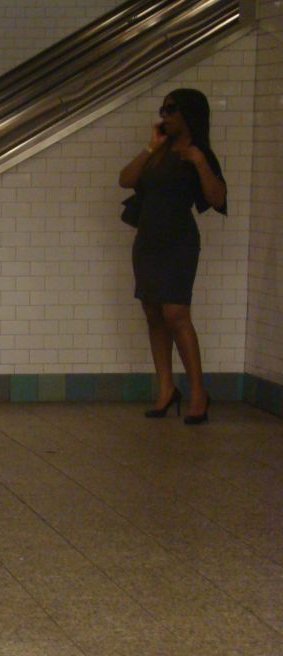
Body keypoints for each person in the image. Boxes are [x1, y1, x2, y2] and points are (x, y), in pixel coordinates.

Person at [118, 88, 226, 425]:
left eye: (171, 109)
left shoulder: (199, 153)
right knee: (153, 313)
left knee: (176, 313)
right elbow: (126, 179)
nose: (164, 114)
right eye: (163, 108)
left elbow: (217, 197)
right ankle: (166, 390)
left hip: (179, 242)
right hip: (148, 241)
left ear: (189, 113)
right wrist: (152, 144)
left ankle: (198, 393)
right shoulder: (158, 151)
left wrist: (199, 163)